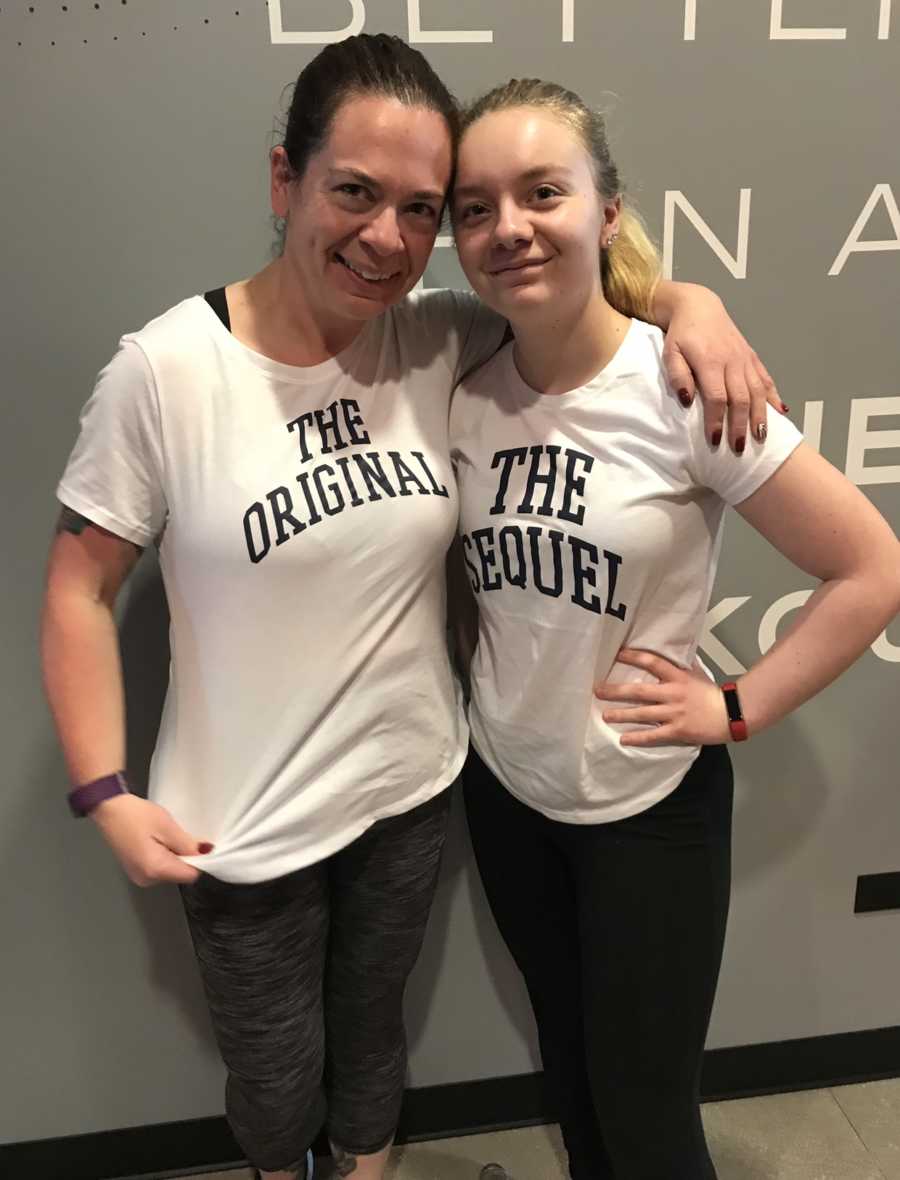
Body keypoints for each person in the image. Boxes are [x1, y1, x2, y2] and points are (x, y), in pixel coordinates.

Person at [42, 36, 786, 1180]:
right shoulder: (165, 370)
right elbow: (80, 588)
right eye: (354, 193)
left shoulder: (435, 335)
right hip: (240, 823)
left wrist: (696, 302)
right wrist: (102, 790)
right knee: (276, 1084)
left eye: (420, 210)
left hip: (413, 789)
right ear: (285, 180)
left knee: (376, 1053)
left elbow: (580, 292)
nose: (386, 238)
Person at [449, 78, 900, 1180]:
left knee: (648, 1119)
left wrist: (737, 705)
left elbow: (872, 566)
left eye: (542, 192)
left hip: (647, 811)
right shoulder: (461, 390)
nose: (507, 227)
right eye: (474, 206)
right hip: (508, 794)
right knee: (572, 1083)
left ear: (606, 213)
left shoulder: (687, 386)